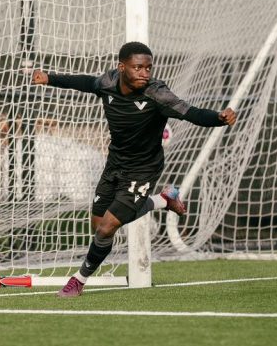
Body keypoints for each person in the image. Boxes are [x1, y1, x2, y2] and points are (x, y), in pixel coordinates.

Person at [30, 41, 237, 298]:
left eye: (148, 68)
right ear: (122, 67)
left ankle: (78, 280)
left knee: (108, 227)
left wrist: (217, 118)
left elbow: (190, 112)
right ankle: (163, 200)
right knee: (97, 226)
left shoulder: (157, 93)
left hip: (143, 168)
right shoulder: (107, 82)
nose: (144, 73)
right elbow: (85, 82)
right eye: (138, 67)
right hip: (115, 162)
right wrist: (50, 78)